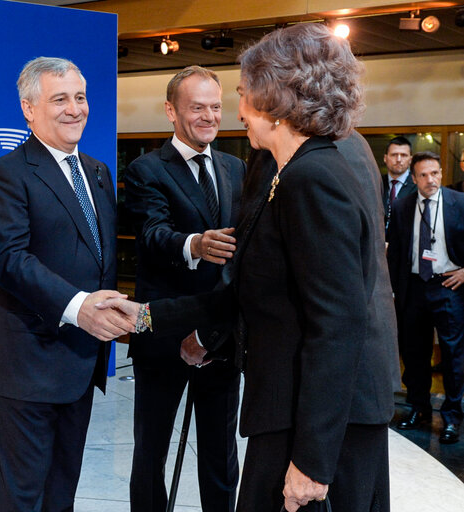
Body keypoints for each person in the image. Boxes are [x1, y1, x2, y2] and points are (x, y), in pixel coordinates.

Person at [104, 24, 397, 512]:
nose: (233, 109)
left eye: (241, 92)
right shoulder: (296, 168)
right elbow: (248, 292)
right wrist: (144, 317)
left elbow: (338, 325)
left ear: (275, 96)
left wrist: (312, 461)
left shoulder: (313, 177)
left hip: (314, 420)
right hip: (293, 406)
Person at [0, 56, 132, 512]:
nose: (74, 109)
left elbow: (96, 258)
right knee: (25, 497)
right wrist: (80, 305)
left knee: (62, 493)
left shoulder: (99, 172)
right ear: (28, 108)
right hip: (26, 366)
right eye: (59, 98)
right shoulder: (8, 173)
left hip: (80, 364)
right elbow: (10, 260)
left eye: (80, 97)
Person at [123, 65, 245, 512]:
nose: (210, 117)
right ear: (171, 111)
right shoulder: (146, 169)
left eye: (216, 107)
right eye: (198, 108)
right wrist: (193, 243)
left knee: (220, 454)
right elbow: (152, 234)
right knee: (150, 452)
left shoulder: (235, 167)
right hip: (164, 334)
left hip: (220, 335)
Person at [387, 151, 464, 444]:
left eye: (434, 173)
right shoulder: (403, 205)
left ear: (441, 173)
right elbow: (394, 253)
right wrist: (394, 290)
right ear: (414, 177)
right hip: (414, 288)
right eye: (423, 175)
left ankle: (451, 417)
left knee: (453, 354)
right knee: (414, 354)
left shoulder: (459, 203)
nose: (430, 180)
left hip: (449, 285)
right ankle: (418, 409)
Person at [382, 136, 416, 231]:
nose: (399, 159)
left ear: (410, 159)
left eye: (404, 155)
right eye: (394, 155)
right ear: (385, 158)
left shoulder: (418, 185)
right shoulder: (377, 183)